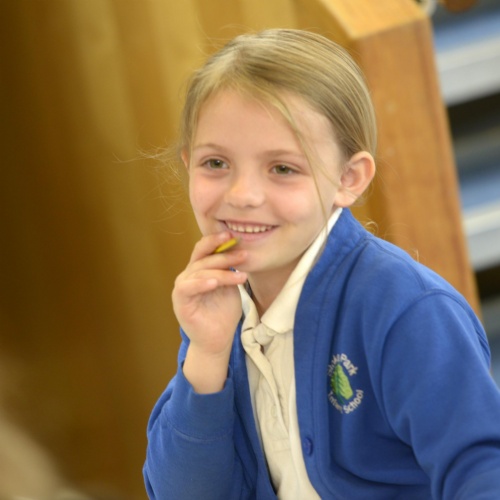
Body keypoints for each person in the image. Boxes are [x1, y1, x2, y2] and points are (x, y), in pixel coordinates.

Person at [143, 29, 500, 499]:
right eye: (215, 164)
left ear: (349, 178)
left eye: (282, 168)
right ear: (188, 163)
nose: (242, 195)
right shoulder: (218, 308)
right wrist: (206, 356)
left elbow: (483, 471)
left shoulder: (406, 308)